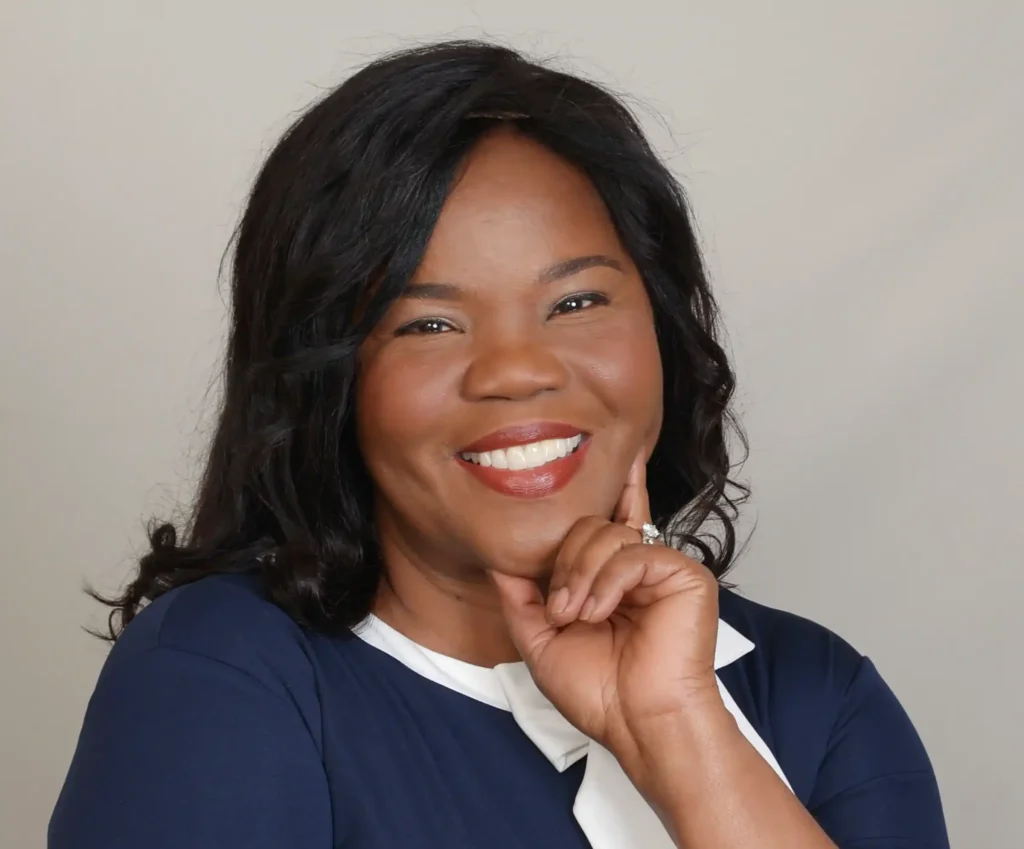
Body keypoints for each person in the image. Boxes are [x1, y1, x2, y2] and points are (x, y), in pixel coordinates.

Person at [48, 40, 949, 849]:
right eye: (429, 323)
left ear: (664, 331)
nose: (516, 371)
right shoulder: (224, 677)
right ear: (325, 379)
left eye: (578, 302)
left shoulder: (817, 692)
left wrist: (679, 726)